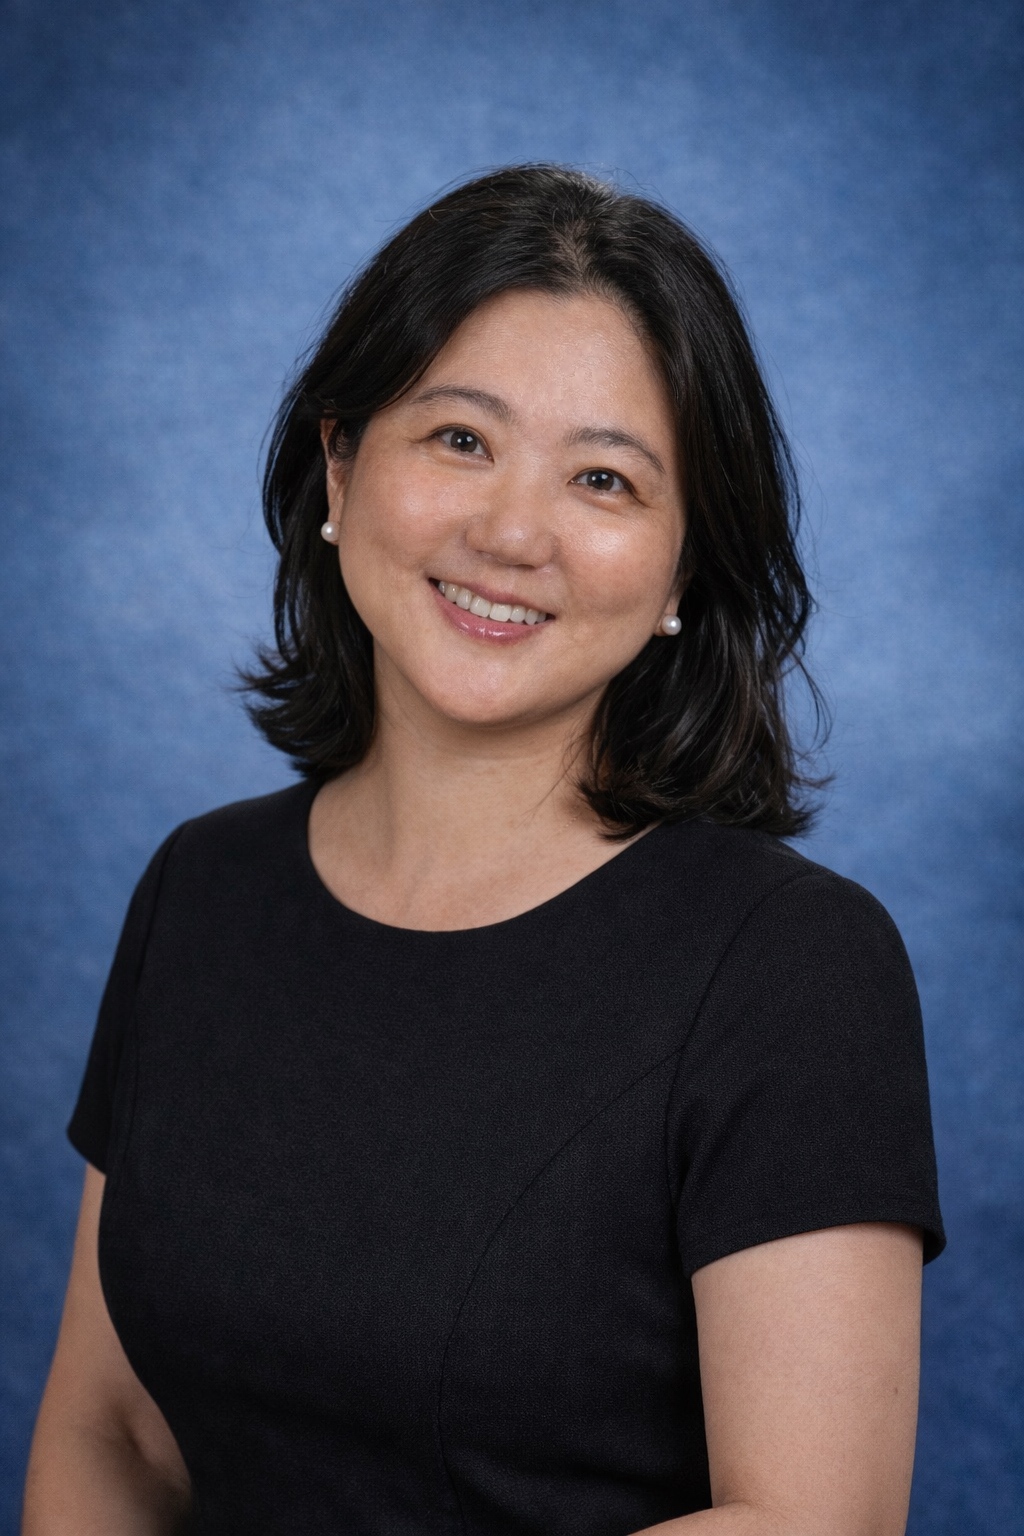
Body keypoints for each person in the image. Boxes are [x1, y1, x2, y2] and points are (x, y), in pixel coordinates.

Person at [22, 164, 944, 1536]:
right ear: (340, 466)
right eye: (459, 440)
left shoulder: (795, 968)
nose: (512, 534)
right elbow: (116, 1439)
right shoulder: (200, 893)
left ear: (684, 570)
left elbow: (813, 1523)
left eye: (603, 478)